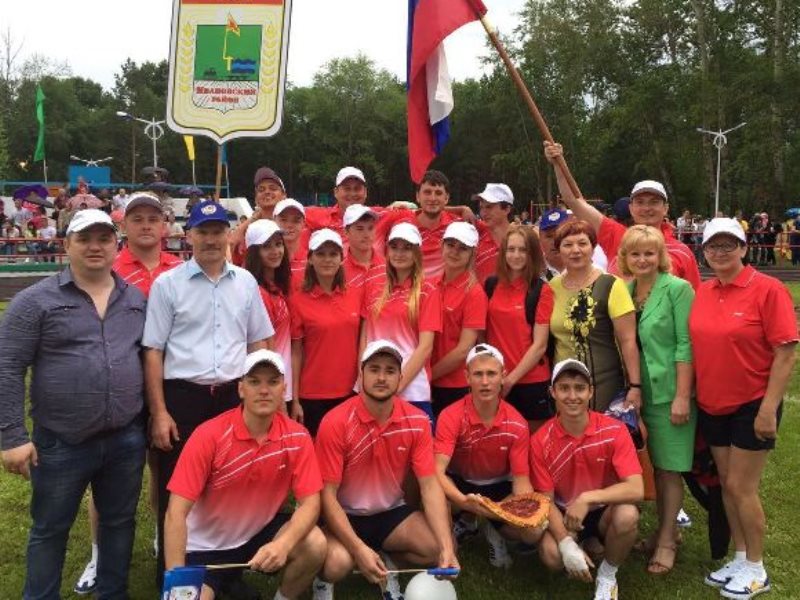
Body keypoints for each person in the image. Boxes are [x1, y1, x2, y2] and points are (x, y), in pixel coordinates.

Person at [0, 209, 148, 599]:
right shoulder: (35, 301)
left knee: (119, 522)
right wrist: (12, 435)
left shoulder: (135, 299)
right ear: (67, 245)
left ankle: (113, 593)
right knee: (50, 528)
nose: (95, 247)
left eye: (103, 238)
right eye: (85, 239)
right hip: (61, 441)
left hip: (125, 438)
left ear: (117, 245)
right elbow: (8, 366)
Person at [143, 199, 273, 586]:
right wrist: (160, 412)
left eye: (219, 231)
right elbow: (153, 351)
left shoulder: (246, 282)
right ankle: (172, 577)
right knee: (178, 489)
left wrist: (262, 399)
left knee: (228, 486)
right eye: (203, 231)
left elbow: (259, 343)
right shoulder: (168, 284)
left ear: (228, 235)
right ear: (189, 235)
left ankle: (225, 574)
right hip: (185, 395)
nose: (212, 239)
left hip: (233, 396)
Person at [72, 192, 183, 594]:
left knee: (163, 470)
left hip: (168, 383)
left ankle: (161, 533)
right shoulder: (110, 269)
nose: (147, 225)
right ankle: (99, 553)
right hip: (118, 386)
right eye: (138, 218)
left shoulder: (181, 269)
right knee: (107, 477)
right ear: (125, 226)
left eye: (154, 217)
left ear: (165, 225)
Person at [689, 218, 797, 599]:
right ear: (704, 251)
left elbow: (785, 352)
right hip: (713, 403)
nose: (720, 252)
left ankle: (756, 566)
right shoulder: (703, 291)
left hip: (753, 404)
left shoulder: (767, 289)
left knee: (740, 487)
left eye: (728, 245)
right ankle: (739, 556)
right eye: (713, 246)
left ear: (744, 248)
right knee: (725, 486)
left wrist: (769, 408)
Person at [164, 350, 327, 600]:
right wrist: (176, 582)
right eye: (254, 382)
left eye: (273, 382)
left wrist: (282, 545)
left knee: (315, 544)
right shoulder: (208, 435)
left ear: (284, 388)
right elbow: (175, 513)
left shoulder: (298, 436)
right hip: (202, 549)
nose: (264, 390)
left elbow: (311, 503)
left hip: (256, 536)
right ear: (241, 389)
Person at [313, 340, 459, 600]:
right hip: (346, 514)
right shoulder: (335, 421)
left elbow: (429, 485)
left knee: (439, 548)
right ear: (361, 374)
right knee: (337, 564)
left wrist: (447, 547)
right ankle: (324, 581)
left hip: (391, 513)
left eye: (390, 371)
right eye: (374, 369)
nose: (382, 377)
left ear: (401, 377)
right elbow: (327, 495)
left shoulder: (417, 421)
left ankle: (385, 562)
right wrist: (357, 548)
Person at [618, 225, 696, 574]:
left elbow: (685, 344)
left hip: (668, 394)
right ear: (625, 258)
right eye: (635, 253)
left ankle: (667, 540)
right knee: (652, 467)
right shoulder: (626, 290)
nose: (642, 259)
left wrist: (682, 395)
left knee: (668, 471)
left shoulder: (678, 289)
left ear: (660, 255)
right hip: (636, 394)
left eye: (649, 253)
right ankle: (659, 533)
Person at [532, 359, 644, 600]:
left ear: (591, 391)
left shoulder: (615, 429)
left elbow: (637, 488)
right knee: (551, 556)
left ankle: (607, 574)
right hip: (565, 514)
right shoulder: (540, 440)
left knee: (628, 515)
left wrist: (588, 498)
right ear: (552, 392)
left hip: (604, 511)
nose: (572, 396)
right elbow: (545, 500)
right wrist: (565, 543)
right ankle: (582, 545)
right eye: (564, 388)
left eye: (580, 388)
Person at [435, 344, 542, 568]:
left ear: (503, 376)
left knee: (534, 531)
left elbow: (521, 481)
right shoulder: (450, 416)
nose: (485, 382)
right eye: (478, 374)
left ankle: (495, 530)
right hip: (461, 485)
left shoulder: (517, 423)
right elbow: (437, 470)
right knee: (436, 493)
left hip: (499, 489)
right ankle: (457, 532)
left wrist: (512, 511)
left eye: (491, 374)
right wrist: (462, 500)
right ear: (467, 377)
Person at [544, 142, 701, 290]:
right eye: (640, 202)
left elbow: (695, 301)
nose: (647, 208)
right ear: (631, 208)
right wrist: (558, 163)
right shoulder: (616, 235)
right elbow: (574, 201)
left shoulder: (682, 252)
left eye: (654, 202)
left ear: (665, 208)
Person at [548, 220, 642, 413]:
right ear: (558, 250)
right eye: (568, 245)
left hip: (603, 382)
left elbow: (628, 341)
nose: (576, 250)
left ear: (593, 248)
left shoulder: (611, 285)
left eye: (582, 243)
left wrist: (635, 386)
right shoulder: (552, 287)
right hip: (564, 385)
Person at [361, 222, 442, 418]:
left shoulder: (428, 290)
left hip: (412, 387)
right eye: (394, 247)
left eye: (407, 248)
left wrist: (398, 384)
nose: (399, 253)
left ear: (417, 253)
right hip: (373, 385)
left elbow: (425, 347)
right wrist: (362, 378)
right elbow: (364, 337)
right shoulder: (373, 284)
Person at [290, 228, 363, 436]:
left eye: (333, 254)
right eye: (320, 254)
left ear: (341, 258)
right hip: (312, 395)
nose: (327, 259)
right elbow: (296, 353)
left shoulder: (355, 295)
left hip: (351, 392)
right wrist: (295, 400)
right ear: (310, 259)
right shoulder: (298, 300)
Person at [485, 225, 554, 429]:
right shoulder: (491, 285)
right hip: (497, 379)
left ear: (532, 253)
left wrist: (510, 380)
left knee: (533, 445)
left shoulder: (541, 290)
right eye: (511, 249)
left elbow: (540, 345)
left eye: (523, 250)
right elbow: (484, 333)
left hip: (530, 381)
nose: (516, 255)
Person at [430, 222, 487, 417]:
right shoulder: (430, 284)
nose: (455, 252)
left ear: (472, 254)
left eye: (462, 248)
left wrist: (428, 375)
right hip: (426, 381)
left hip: (454, 385)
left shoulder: (474, 292)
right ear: (442, 246)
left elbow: (464, 349)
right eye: (450, 245)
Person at [244, 218, 294, 405]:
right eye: (267, 246)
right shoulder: (258, 293)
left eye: (278, 244)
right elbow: (264, 347)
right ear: (254, 253)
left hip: (282, 384)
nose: (276, 251)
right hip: (274, 388)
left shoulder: (277, 288)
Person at [230, 167, 287, 264]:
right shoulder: (248, 231)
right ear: (256, 199)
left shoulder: (297, 222)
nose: (267, 192)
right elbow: (231, 246)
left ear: (284, 195)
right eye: (261, 189)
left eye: (273, 188)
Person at [538, 208, 607, 279]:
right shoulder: (533, 271)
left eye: (560, 234)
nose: (555, 240)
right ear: (540, 239)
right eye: (549, 236)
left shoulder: (596, 272)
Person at [305, 167, 370, 239]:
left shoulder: (379, 216)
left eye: (357, 188)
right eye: (347, 189)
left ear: (365, 192)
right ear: (336, 192)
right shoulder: (318, 216)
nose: (352, 194)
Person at [472, 183, 514, 283]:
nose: (483, 213)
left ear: (507, 209)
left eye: (489, 207)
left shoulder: (523, 238)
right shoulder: (476, 232)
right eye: (481, 207)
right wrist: (462, 209)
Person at [342, 204, 386, 290]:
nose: (366, 235)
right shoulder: (338, 271)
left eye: (370, 228)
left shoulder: (388, 267)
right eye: (360, 229)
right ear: (346, 232)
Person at [273, 198, 309, 282]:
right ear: (274, 220)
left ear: (303, 223)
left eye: (296, 221)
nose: (289, 225)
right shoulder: (264, 258)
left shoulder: (312, 260)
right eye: (283, 220)